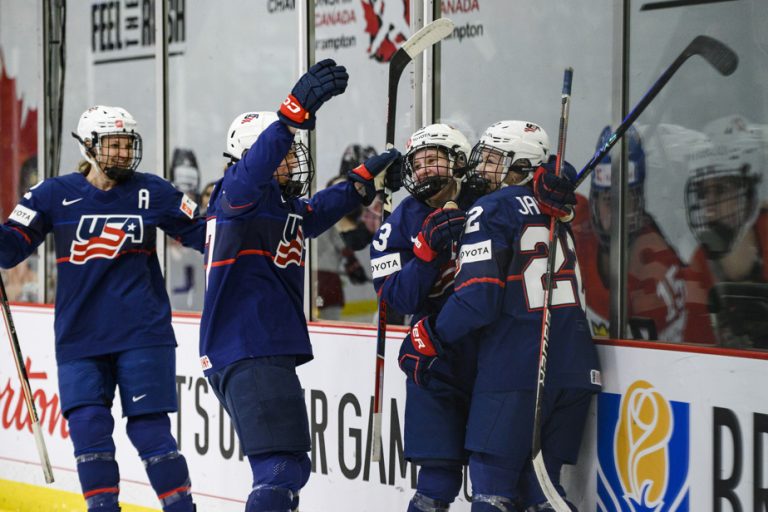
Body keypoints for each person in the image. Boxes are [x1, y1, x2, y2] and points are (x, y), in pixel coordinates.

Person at [198, 59, 401, 511]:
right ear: (257, 157)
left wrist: (361, 183)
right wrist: (290, 116)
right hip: (247, 346)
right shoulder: (237, 194)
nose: (293, 161)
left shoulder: (274, 206)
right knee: (279, 470)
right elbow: (250, 173)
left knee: (290, 467)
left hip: (258, 347)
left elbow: (312, 214)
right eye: (285, 154)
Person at [0, 105, 204, 511]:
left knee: (150, 431)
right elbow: (10, 251)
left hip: (143, 335)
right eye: (113, 145)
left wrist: (235, 213)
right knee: (89, 431)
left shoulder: (153, 191)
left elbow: (204, 233)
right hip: (80, 338)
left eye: (127, 145)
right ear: (89, 146)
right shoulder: (52, 195)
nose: (123, 153)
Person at [405, 120, 600, 511]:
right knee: (542, 491)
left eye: (494, 159)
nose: (482, 168)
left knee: (492, 487)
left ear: (521, 167)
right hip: (576, 368)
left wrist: (432, 338)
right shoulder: (556, 208)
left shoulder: (490, 207)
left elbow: (477, 300)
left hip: (516, 367)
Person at [370, 123, 476, 511]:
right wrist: (426, 252)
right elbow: (396, 297)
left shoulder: (486, 199)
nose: (425, 168)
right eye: (419, 162)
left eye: (434, 159)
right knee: (437, 479)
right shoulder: (400, 220)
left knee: (495, 475)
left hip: (490, 356)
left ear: (458, 162)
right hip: (433, 358)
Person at [571, 126, 687, 341]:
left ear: (640, 202)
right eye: (608, 200)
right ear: (595, 200)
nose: (616, 212)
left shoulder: (660, 268)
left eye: (626, 200)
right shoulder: (574, 221)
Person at [682, 115, 768, 347]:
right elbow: (694, 351)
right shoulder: (699, 261)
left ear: (749, 194)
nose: (709, 204)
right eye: (702, 192)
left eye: (720, 190)